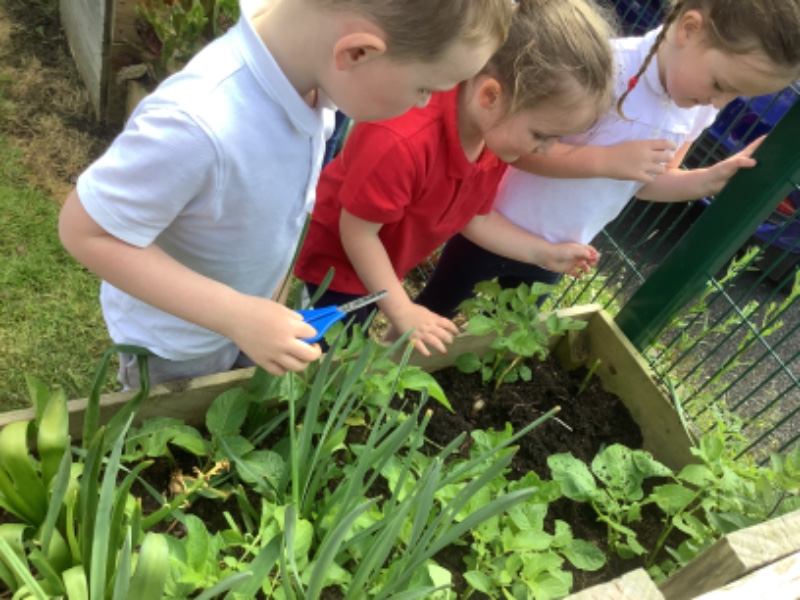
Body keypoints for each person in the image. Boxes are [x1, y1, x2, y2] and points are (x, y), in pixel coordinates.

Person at [57, 0, 513, 387]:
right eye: (425, 88)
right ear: (357, 52)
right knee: (170, 429)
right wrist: (236, 315)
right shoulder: (198, 125)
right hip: (179, 341)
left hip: (251, 310)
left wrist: (257, 309)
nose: (424, 104)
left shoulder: (310, 76)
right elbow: (87, 231)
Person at [416, 0, 800, 319]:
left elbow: (647, 183)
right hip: (497, 222)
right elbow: (517, 151)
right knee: (436, 312)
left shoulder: (697, 111)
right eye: (719, 84)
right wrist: (604, 160)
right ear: (688, 29)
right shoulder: (606, 70)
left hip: (561, 250)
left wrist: (709, 180)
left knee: (503, 332)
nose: (718, 102)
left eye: (735, 96)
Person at [293, 0, 617, 356]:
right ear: (490, 95)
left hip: (382, 265)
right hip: (335, 266)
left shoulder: (491, 139)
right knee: (319, 352)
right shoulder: (402, 142)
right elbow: (358, 233)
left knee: (351, 341)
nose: (546, 149)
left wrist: (544, 253)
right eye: (541, 135)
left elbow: (475, 219)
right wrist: (401, 309)